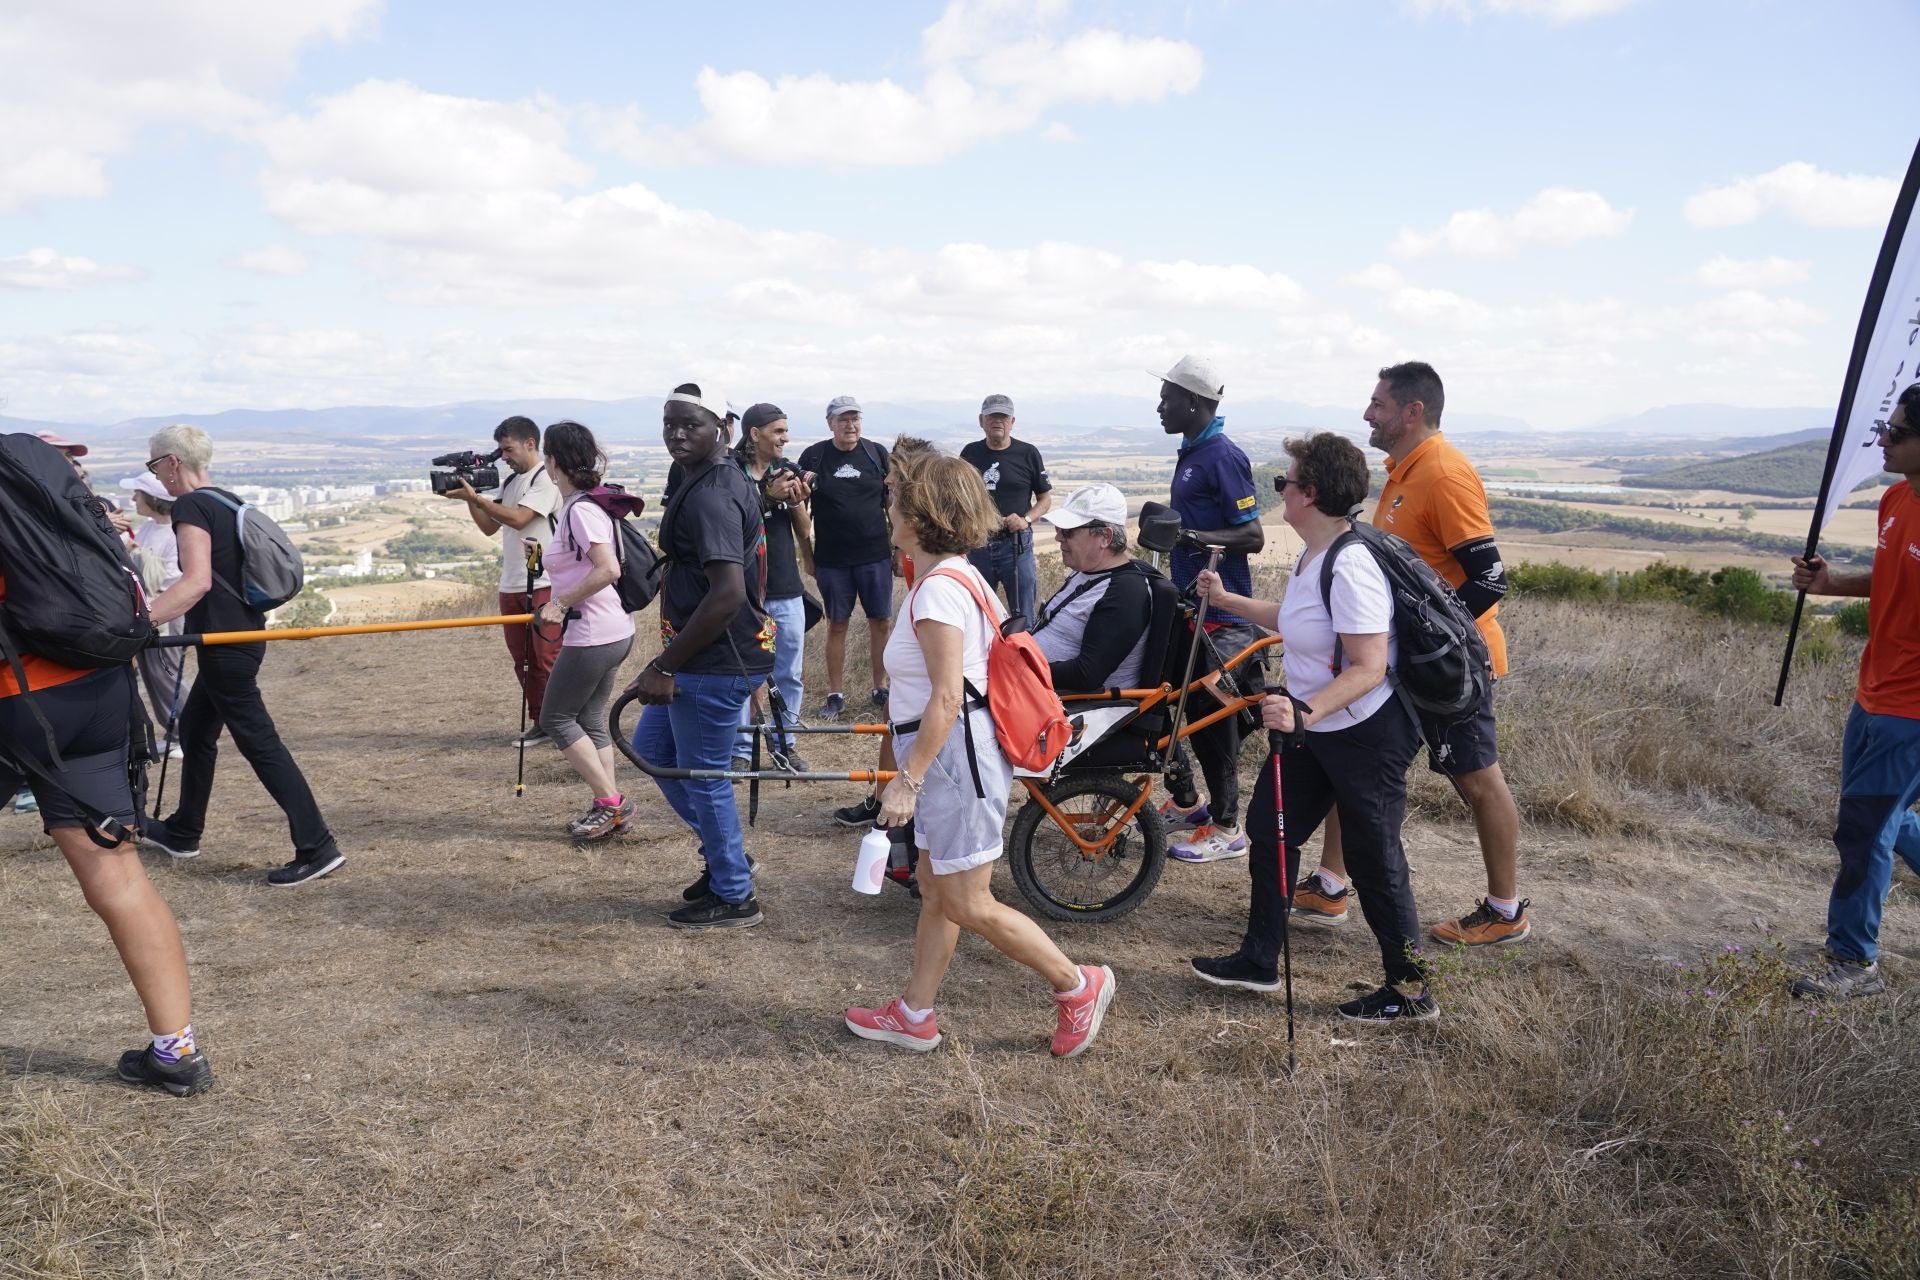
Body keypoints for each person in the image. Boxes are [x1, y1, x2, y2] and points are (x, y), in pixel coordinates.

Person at [844, 454, 1115, 1056]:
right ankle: (915, 1014)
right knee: (940, 893)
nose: (889, 508)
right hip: (956, 754)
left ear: (921, 515)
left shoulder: (939, 590)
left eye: (897, 500)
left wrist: (904, 781)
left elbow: (945, 698)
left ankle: (1078, 985)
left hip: (953, 759)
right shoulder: (958, 575)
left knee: (968, 900)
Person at [1188, 432, 1434, 1023]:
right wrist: (1228, 599)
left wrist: (1307, 711)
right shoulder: (1313, 556)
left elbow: (1371, 666)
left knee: (1373, 856)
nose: (1280, 491)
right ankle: (1258, 960)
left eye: (1285, 483)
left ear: (1312, 493)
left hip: (1361, 733)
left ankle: (1411, 992)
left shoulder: (1351, 566)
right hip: (1314, 728)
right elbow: (1295, 619)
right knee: (1269, 832)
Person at [1296, 362, 1529, 947]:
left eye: (1377, 404)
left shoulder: (1445, 474)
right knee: (1350, 759)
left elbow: (1490, 579)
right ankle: (1331, 884)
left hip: (1449, 669)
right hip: (1406, 665)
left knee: (1478, 782)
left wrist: (1431, 644)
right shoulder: (1403, 472)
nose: (1367, 414)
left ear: (1411, 412)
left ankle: (1505, 911)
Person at [0, 466, 213, 1094]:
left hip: (19, 698)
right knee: (119, 876)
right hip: (96, 691)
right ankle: (175, 1051)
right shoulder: (36, 487)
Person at [140, 424, 344, 886]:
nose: (156, 476)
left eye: (155, 465)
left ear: (174, 462)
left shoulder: (191, 505)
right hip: (242, 636)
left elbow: (196, 581)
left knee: (259, 742)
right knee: (195, 729)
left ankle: (317, 846)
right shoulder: (225, 499)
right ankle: (183, 831)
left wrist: (142, 622)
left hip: (223, 644)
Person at [1787, 384, 1920, 999]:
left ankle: (1853, 963)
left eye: (1896, 432)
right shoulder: (1895, 498)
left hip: (1911, 711)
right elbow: (1893, 577)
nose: (1883, 440)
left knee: (1864, 829)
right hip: (1873, 691)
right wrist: (1830, 583)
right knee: (1877, 816)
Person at [630, 382, 774, 929]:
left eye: (690, 423)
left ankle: (734, 892)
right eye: (670, 423)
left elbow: (729, 592)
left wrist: (665, 665)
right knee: (654, 750)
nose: (677, 434)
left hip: (717, 659)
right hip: (706, 654)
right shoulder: (708, 477)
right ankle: (727, 858)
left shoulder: (714, 491)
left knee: (704, 775)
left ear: (722, 427)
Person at [1155, 354, 1264, 864]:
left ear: (1194, 402)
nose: (1160, 406)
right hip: (1189, 607)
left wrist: (1191, 537)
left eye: (1168, 398)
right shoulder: (1192, 450)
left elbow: (1253, 535)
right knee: (1163, 699)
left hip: (1224, 614)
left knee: (1209, 708)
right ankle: (1189, 805)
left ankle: (1227, 827)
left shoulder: (1222, 455)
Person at [535, 420, 636, 843]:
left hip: (595, 633)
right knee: (590, 718)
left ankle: (612, 803)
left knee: (555, 718)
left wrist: (559, 603)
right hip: (611, 630)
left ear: (553, 461)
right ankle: (605, 806)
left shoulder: (581, 510)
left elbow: (608, 569)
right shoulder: (582, 506)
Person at [831, 434, 938, 832]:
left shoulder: (937, 535)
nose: (887, 482)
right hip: (916, 639)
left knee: (916, 722)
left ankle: (904, 802)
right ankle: (882, 798)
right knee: (894, 720)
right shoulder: (910, 536)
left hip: (932, 648)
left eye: (893, 475)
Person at [446, 416, 561, 747]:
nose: (504, 457)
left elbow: (520, 518)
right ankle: (543, 721)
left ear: (530, 443)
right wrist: (470, 497)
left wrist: (479, 499)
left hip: (544, 583)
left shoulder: (545, 480)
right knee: (523, 660)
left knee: (547, 656)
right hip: (511, 584)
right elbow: (489, 527)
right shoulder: (511, 484)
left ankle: (563, 722)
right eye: (500, 450)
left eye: (507, 449)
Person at [798, 396, 892, 718]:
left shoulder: (877, 453)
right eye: (843, 419)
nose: (850, 425)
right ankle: (835, 694)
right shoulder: (813, 456)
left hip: (875, 555)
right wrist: (807, 557)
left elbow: (892, 505)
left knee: (881, 621)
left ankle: (881, 688)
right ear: (830, 423)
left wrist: (898, 550)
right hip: (832, 559)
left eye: (855, 419)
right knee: (837, 624)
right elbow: (801, 512)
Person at [734, 403, 814, 773]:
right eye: (778, 431)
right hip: (742, 590)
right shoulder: (731, 474)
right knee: (743, 675)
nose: (786, 438)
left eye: (786, 430)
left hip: (785, 587)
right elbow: (730, 525)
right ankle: (741, 749)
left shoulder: (789, 470)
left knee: (789, 674)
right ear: (754, 434)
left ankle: (786, 745)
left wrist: (797, 501)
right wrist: (766, 497)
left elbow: (803, 531)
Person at [1030, 484, 1153, 694]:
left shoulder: (1126, 593)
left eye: (1067, 531)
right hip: (1042, 691)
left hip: (1078, 708)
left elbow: (1086, 675)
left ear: (1105, 537)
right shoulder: (1086, 571)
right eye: (1058, 529)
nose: (1058, 537)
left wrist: (1022, 670)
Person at [961, 393, 1051, 625]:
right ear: (981, 421)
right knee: (978, 617)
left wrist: (1026, 520)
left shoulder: (1028, 453)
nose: (997, 421)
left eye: (1003, 416)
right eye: (992, 416)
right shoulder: (969, 453)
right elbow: (959, 496)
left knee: (1024, 619)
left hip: (1016, 545)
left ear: (1012, 421)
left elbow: (1045, 499)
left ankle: (1025, 660)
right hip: (978, 543)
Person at [121, 473, 187, 756]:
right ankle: (174, 734)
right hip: (147, 611)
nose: (134, 498)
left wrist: (136, 555)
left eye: (138, 493)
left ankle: (187, 732)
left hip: (167, 611)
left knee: (168, 674)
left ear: (152, 498)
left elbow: (168, 577)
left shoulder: (176, 531)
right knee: (153, 675)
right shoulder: (149, 528)